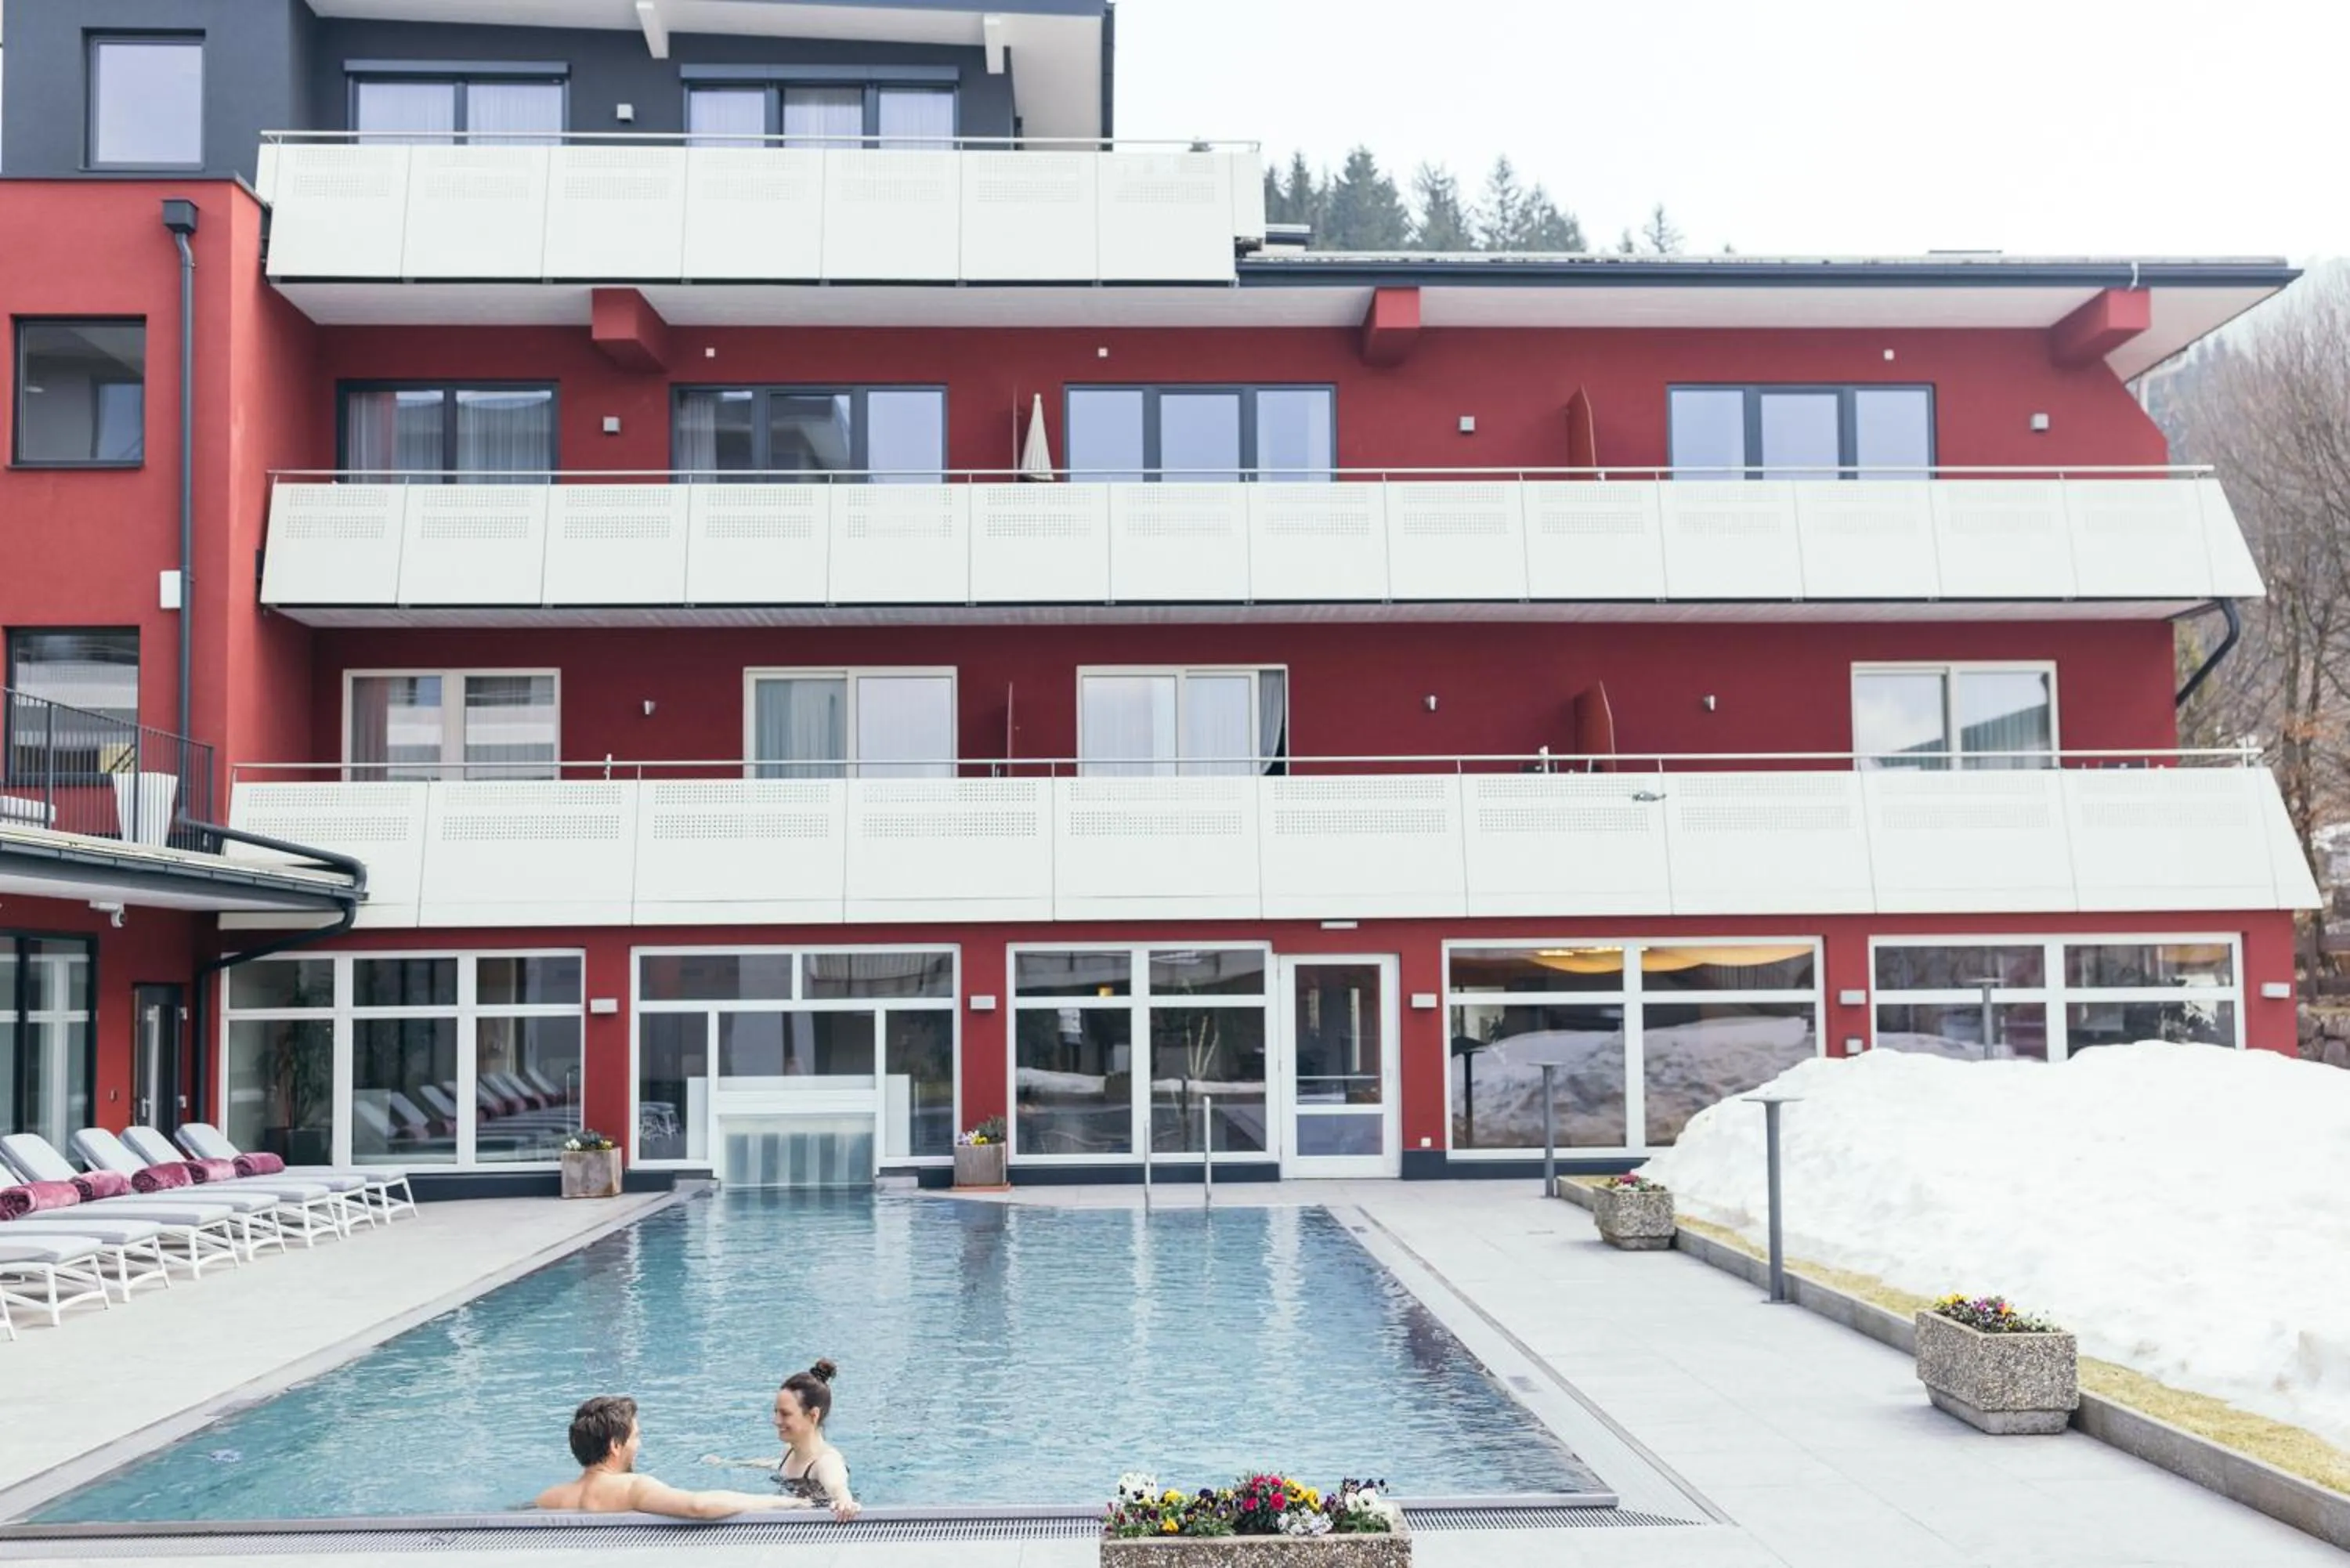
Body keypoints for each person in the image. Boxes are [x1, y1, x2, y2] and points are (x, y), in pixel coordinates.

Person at [534, 1395, 794, 1519]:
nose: (639, 1444)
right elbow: (699, 1506)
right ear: (615, 1446)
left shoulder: (550, 1497)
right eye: (636, 1436)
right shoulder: (632, 1487)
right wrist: (782, 1503)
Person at [700, 1358, 861, 1522]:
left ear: (813, 1415)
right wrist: (728, 1463)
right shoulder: (789, 1451)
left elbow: (837, 1486)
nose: (776, 1421)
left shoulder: (826, 1462)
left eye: (785, 1414)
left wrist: (845, 1502)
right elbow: (774, 1464)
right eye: (776, 1412)